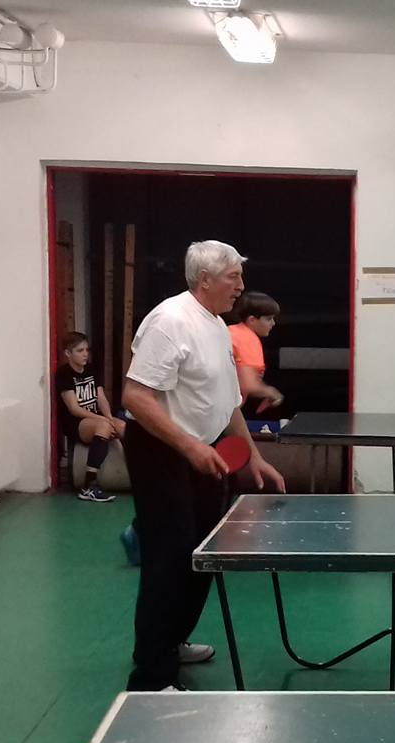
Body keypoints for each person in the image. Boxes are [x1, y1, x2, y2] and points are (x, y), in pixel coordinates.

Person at [123, 240, 285, 692]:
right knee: (168, 559)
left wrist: (254, 457)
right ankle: (151, 676)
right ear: (205, 279)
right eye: (234, 276)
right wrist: (189, 446)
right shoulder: (170, 321)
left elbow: (228, 403)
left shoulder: (215, 324)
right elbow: (135, 397)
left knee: (203, 554)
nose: (241, 286)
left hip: (202, 451)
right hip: (162, 451)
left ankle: (172, 641)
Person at [55, 331, 124, 502]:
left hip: (96, 417)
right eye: (80, 351)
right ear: (68, 353)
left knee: (123, 426)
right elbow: (73, 408)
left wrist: (109, 417)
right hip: (76, 423)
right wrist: (102, 420)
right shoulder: (63, 374)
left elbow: (101, 397)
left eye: (87, 350)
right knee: (104, 426)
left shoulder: (91, 369)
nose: (85, 354)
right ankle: (89, 485)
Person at [227, 291, 285, 414]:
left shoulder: (231, 331)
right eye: (268, 319)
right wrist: (272, 393)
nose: (273, 323)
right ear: (252, 320)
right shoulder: (247, 339)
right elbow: (249, 384)